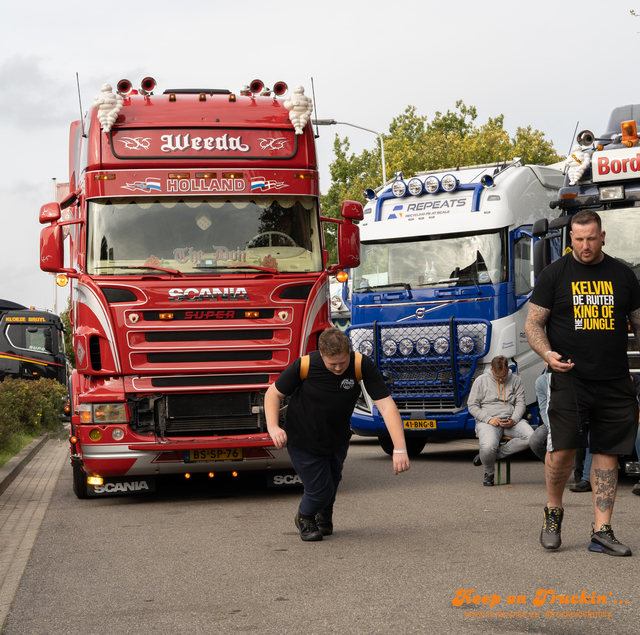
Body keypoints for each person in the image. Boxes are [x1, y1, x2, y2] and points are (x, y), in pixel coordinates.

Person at [525, 210, 640, 556]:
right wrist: (548, 355)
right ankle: (553, 513)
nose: (585, 245)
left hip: (615, 379)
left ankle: (602, 530)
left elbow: (637, 321)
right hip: (569, 377)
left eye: (591, 238)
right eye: (578, 239)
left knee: (608, 451)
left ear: (602, 236)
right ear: (570, 238)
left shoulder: (623, 275)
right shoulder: (554, 274)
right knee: (562, 450)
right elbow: (533, 325)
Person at [265, 327, 410, 541]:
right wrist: (273, 427)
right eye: (332, 364)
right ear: (321, 354)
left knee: (332, 481)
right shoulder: (305, 365)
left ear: (348, 351)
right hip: (303, 437)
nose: (338, 368)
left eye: (342, 362)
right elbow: (273, 394)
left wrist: (399, 448)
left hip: (337, 438)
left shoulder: (361, 364)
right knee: (319, 489)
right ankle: (304, 517)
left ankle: (324, 516)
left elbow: (387, 406)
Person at [468, 355, 534, 486]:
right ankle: (489, 472)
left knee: (531, 437)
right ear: (492, 370)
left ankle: (492, 456)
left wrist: (514, 419)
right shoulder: (480, 381)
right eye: (498, 377)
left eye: (504, 377)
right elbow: (472, 406)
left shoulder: (516, 380)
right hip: (489, 421)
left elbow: (521, 404)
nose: (501, 380)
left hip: (511, 420)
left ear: (508, 369)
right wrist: (488, 419)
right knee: (487, 447)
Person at [530, 371, 550, 462]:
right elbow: (543, 407)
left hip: (569, 421)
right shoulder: (541, 381)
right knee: (534, 441)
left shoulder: (567, 377)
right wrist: (550, 427)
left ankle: (579, 471)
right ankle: (551, 466)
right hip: (551, 422)